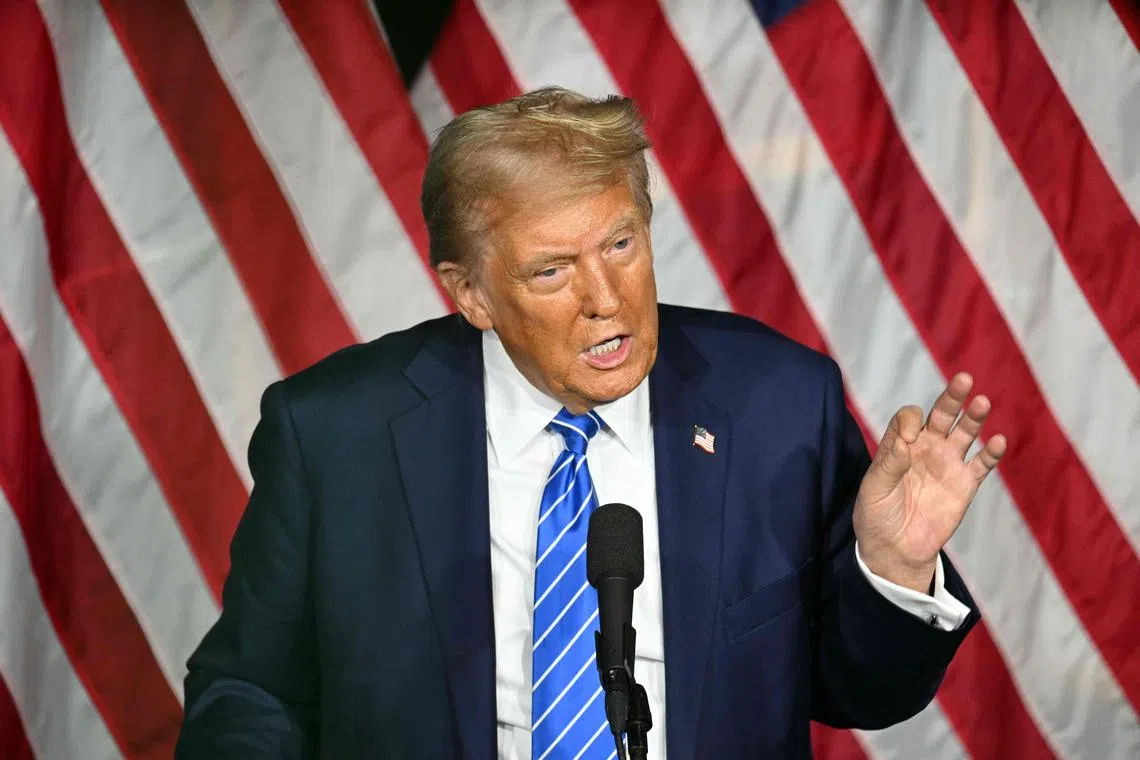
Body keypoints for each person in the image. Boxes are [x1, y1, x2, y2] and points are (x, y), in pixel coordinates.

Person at [175, 88, 1006, 759]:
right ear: (471, 295)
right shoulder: (337, 433)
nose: (604, 300)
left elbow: (861, 693)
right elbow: (254, 689)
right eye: (551, 270)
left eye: (621, 244)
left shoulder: (777, 403)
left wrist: (892, 569)